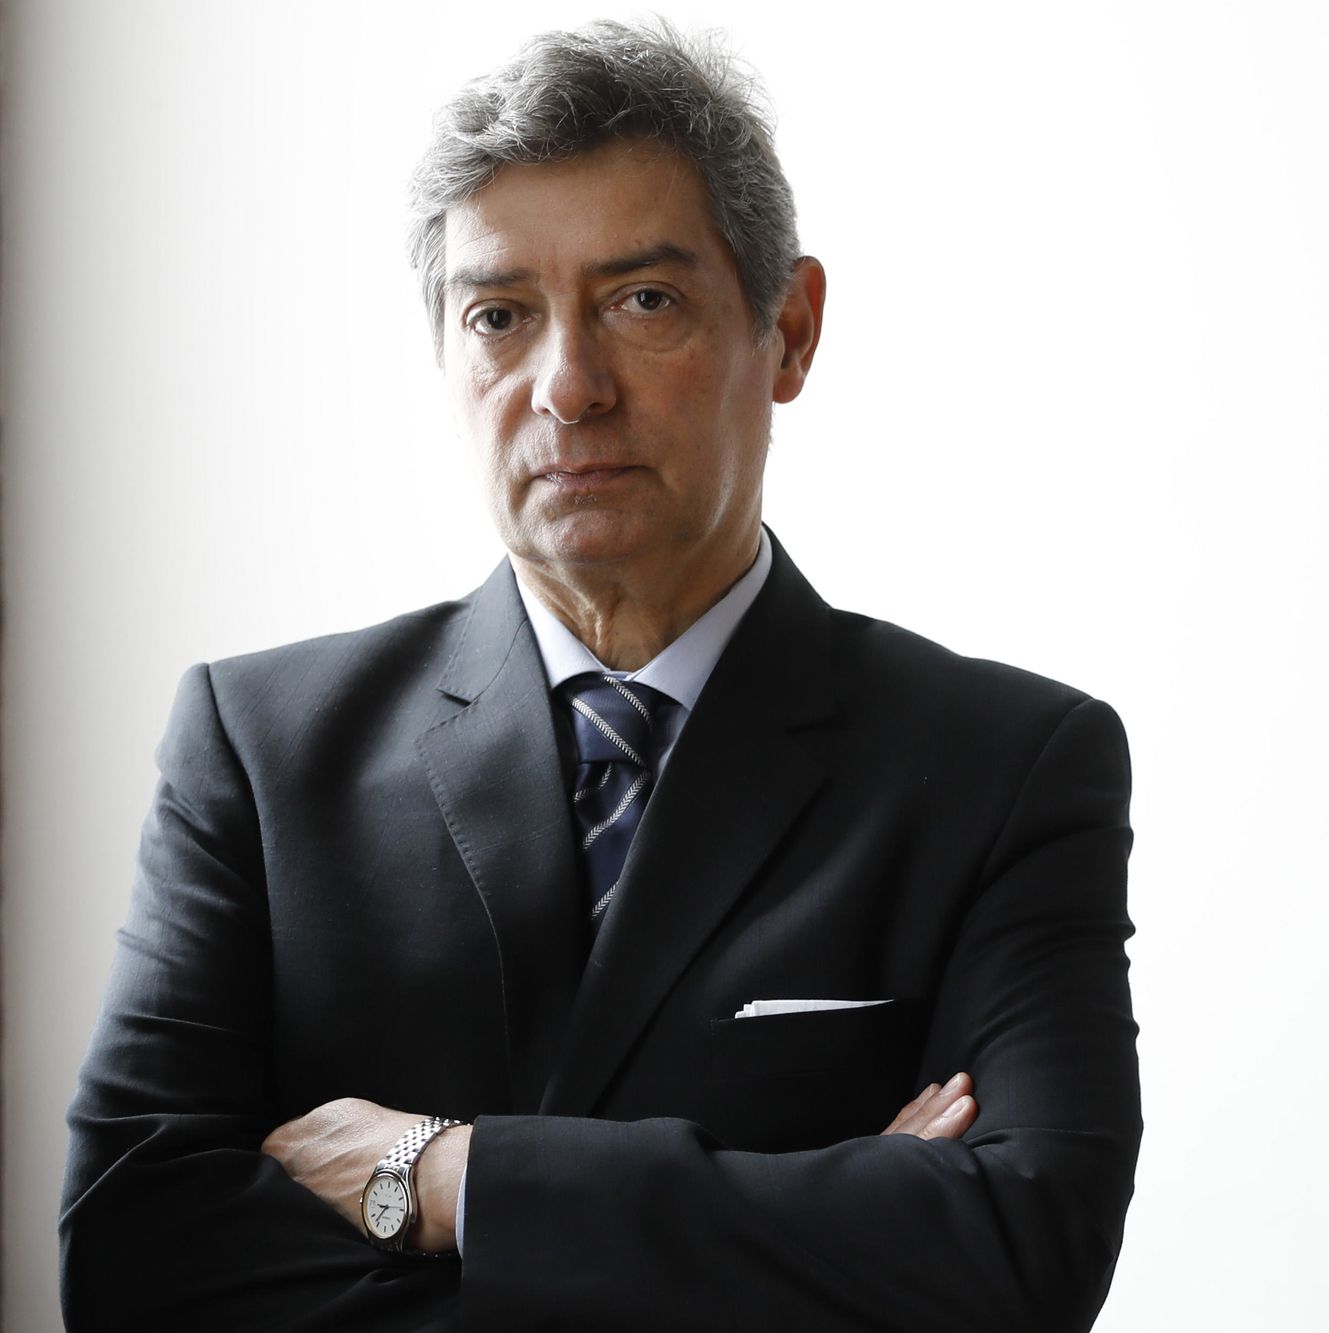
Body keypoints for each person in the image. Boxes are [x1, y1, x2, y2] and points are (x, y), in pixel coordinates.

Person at [58, 20, 1140, 1332]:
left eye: (643, 302)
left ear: (789, 330)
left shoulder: (1004, 767)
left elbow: (1022, 1252)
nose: (567, 388)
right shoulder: (261, 748)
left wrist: (445, 1178)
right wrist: (829, 1223)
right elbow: (131, 1259)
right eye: (500, 316)